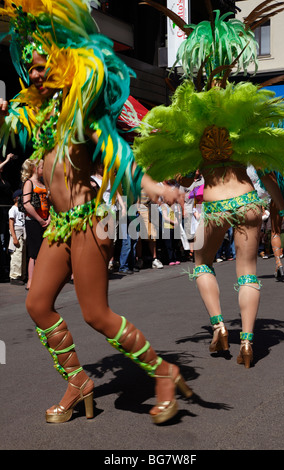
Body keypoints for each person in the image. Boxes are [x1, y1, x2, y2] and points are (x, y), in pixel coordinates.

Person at [0, 0, 191, 425]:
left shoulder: (81, 112)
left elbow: (117, 157)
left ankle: (165, 374)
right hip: (60, 227)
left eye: (42, 65)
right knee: (36, 304)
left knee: (96, 315)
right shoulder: (44, 116)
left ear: (65, 64)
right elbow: (15, 126)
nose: (35, 74)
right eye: (30, 67)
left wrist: (157, 187)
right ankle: (78, 381)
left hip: (88, 223)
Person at [133, 7, 284, 368]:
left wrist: (174, 179)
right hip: (248, 201)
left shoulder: (195, 116)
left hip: (215, 205)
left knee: (201, 261)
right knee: (248, 270)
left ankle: (220, 325)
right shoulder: (243, 113)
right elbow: (268, 174)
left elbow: (187, 175)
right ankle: (248, 342)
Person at [21, 158, 50, 290]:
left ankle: (42, 279)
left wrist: (48, 217)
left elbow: (50, 202)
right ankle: (32, 280)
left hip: (45, 220)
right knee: (35, 252)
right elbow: (26, 204)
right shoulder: (29, 183)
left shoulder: (43, 183)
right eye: (42, 167)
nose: (44, 170)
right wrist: (39, 219)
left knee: (44, 251)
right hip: (33, 221)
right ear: (35, 168)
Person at [8, 188, 26, 284]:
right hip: (17, 232)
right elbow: (11, 224)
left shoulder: (22, 209)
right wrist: (14, 237)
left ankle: (22, 275)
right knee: (17, 255)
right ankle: (15, 276)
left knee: (22, 255)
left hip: (23, 232)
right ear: (17, 198)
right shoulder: (13, 209)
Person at [0, 153, 14, 280]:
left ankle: (5, 266)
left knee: (5, 239)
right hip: (0, 211)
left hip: (6, 210)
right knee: (2, 239)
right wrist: (7, 160)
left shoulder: (4, 178)